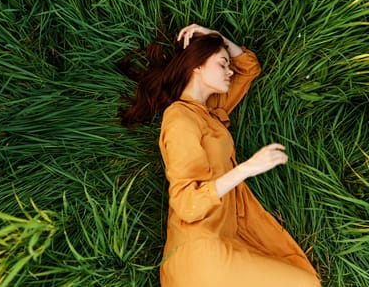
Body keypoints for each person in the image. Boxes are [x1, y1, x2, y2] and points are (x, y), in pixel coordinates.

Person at [120, 24, 320, 287]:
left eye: (226, 64)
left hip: (222, 243)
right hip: (202, 254)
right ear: (197, 66)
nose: (229, 71)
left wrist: (219, 38)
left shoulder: (210, 112)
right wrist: (246, 169)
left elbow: (248, 67)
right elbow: (185, 201)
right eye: (222, 64)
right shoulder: (179, 119)